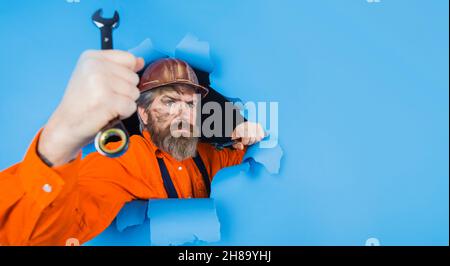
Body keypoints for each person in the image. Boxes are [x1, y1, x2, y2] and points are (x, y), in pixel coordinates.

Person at [0, 50, 265, 245]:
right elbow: (41, 234)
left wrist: (244, 135)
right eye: (171, 102)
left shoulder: (205, 155)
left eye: (190, 104)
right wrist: (59, 141)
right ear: (144, 114)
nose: (184, 113)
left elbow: (244, 166)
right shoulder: (120, 161)